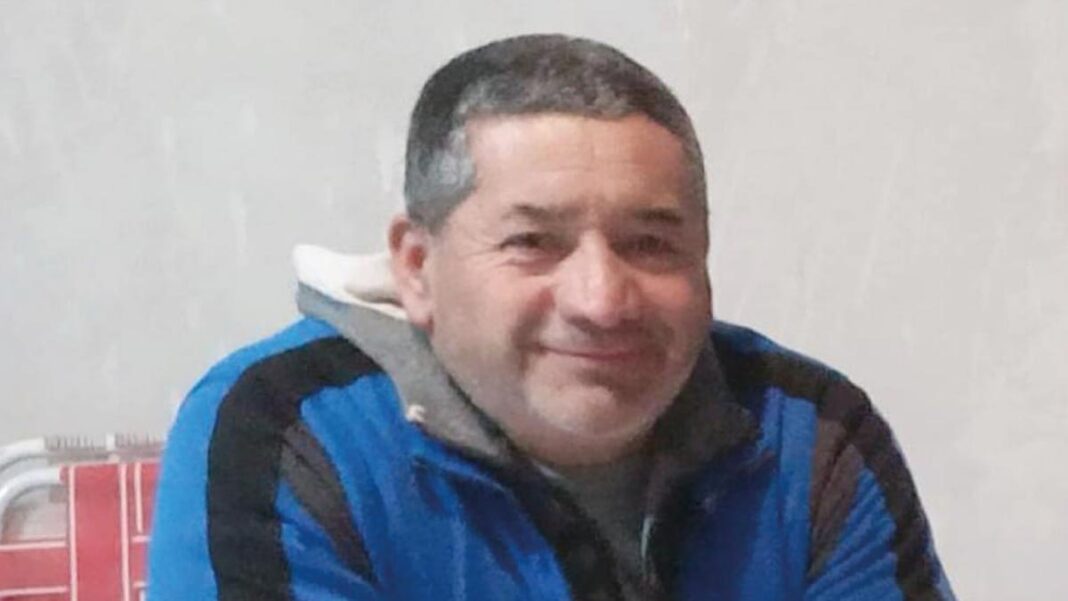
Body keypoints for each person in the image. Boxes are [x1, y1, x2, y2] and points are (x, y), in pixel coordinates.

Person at [148, 34, 956, 600]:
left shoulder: (810, 438)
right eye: (533, 242)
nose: (602, 299)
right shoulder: (286, 435)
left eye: (650, 243)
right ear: (417, 267)